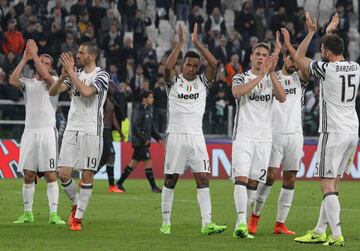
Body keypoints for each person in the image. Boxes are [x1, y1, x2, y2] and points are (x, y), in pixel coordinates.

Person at [293, 13, 359, 247]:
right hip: (352, 132)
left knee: (326, 182)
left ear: (327, 53)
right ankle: (320, 230)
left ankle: (337, 233)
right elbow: (334, 51)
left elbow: (298, 58)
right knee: (335, 181)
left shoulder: (326, 70)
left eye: (322, 49)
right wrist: (330, 31)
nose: (320, 52)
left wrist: (311, 32)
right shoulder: (355, 67)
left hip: (333, 132)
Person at [160, 23, 227, 235]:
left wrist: (198, 43)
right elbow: (167, 68)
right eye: (188, 65)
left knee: (203, 178)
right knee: (171, 179)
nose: (192, 69)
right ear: (183, 65)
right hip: (177, 136)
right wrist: (180, 43)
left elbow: (215, 64)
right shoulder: (173, 83)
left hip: (197, 137)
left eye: (195, 66)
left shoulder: (202, 83)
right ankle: (166, 222)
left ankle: (207, 223)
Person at [248, 27, 310, 235]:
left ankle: (280, 223)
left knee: (290, 177)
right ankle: (254, 218)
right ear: (285, 60)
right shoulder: (270, 77)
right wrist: (277, 51)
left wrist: (303, 37)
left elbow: (301, 60)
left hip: (295, 135)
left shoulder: (300, 79)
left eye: (297, 60)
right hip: (274, 134)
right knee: (270, 177)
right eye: (292, 60)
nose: (295, 63)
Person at [49, 42, 110, 231]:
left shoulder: (102, 75)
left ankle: (78, 218)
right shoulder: (77, 73)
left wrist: (71, 73)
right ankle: (77, 205)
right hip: (72, 129)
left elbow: (86, 91)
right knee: (63, 174)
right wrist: (62, 77)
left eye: (81, 53)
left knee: (87, 174)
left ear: (91, 56)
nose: (77, 55)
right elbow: (53, 92)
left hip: (92, 131)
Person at [231, 34, 286, 239]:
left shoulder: (271, 79)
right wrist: (260, 76)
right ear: (252, 58)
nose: (261, 57)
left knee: (253, 185)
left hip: (264, 140)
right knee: (241, 179)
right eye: (258, 54)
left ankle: (242, 223)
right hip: (244, 137)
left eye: (264, 55)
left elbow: (282, 97)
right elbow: (238, 92)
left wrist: (270, 75)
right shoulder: (241, 77)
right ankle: (240, 223)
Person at [10, 39, 65, 225]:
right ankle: (27, 214)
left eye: (47, 63)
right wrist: (25, 59)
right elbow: (12, 80)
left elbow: (49, 79)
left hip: (47, 133)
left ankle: (53, 214)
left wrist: (35, 55)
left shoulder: (55, 82)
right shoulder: (29, 82)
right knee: (28, 175)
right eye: (42, 61)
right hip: (30, 133)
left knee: (50, 174)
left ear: (51, 68)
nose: (44, 64)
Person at [116, 90, 163, 193]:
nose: (152, 99)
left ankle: (119, 184)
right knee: (148, 162)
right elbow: (135, 127)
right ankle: (154, 187)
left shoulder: (148, 110)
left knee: (133, 164)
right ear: (144, 99)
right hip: (140, 142)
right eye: (150, 97)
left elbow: (152, 127)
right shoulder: (139, 109)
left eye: (152, 97)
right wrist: (143, 139)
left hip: (143, 142)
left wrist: (158, 138)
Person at [98, 80, 125, 193]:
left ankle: (111, 186)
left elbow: (113, 118)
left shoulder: (111, 101)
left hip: (108, 131)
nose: (113, 87)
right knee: (109, 155)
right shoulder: (101, 100)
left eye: (114, 85)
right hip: (102, 131)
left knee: (108, 157)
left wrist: (120, 132)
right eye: (111, 85)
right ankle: (111, 186)